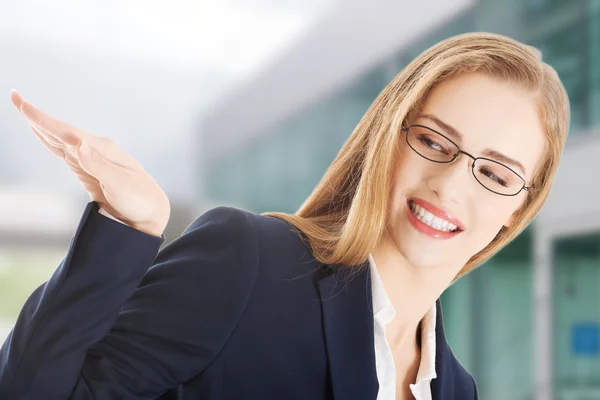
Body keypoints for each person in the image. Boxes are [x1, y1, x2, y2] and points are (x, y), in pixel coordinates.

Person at [0, 32, 569, 400]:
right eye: (433, 141)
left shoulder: (457, 390)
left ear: (518, 207)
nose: (449, 184)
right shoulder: (251, 264)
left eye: (495, 174)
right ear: (386, 139)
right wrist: (129, 229)